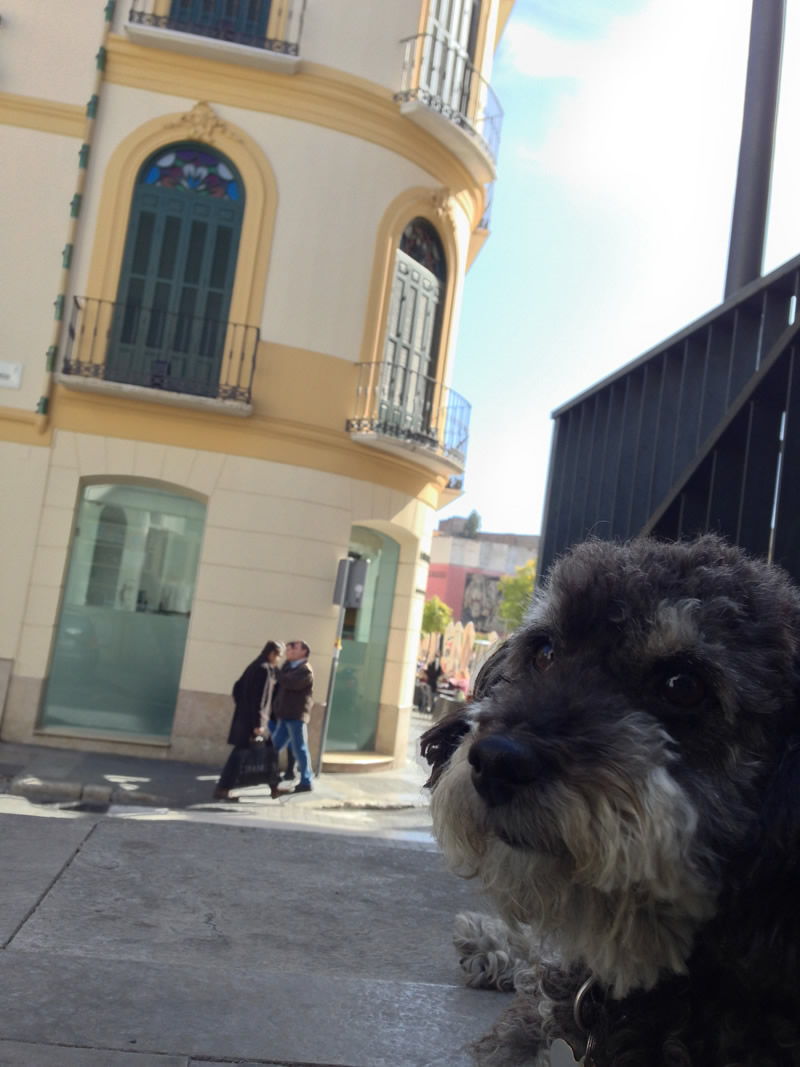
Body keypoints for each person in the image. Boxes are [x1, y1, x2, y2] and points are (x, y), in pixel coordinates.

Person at [214, 639, 284, 801]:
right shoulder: (264, 669)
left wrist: (242, 707)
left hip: (248, 718)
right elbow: (260, 699)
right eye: (279, 656)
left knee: (269, 752)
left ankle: (274, 787)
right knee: (240, 754)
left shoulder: (255, 665)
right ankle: (223, 788)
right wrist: (258, 724)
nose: (279, 659)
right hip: (255, 722)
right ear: (271, 654)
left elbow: (237, 688)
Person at [269, 639, 314, 794]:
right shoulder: (289, 666)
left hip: (296, 716)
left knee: (300, 749)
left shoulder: (305, 670)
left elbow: (290, 683)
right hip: (285, 715)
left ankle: (306, 781)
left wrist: (275, 668)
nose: (291, 650)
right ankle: (266, 774)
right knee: (274, 747)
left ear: (304, 652)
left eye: (295, 648)